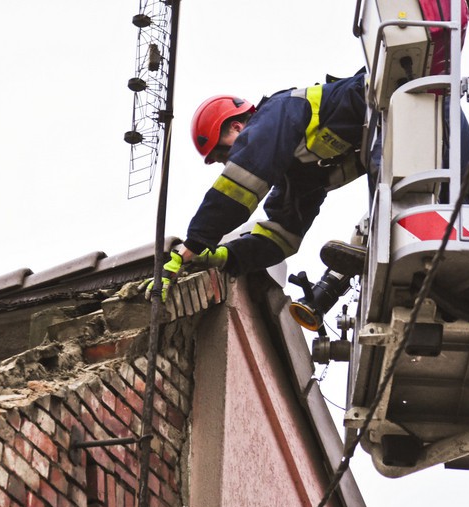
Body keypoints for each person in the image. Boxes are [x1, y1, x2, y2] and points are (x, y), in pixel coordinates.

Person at [146, 70, 371, 330]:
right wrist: (225, 256)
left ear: (238, 127)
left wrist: (192, 244)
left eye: (224, 155)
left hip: (386, 102)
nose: (230, 163)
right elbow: (282, 237)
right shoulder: (299, 171)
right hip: (391, 139)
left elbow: (243, 177)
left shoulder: (279, 112)